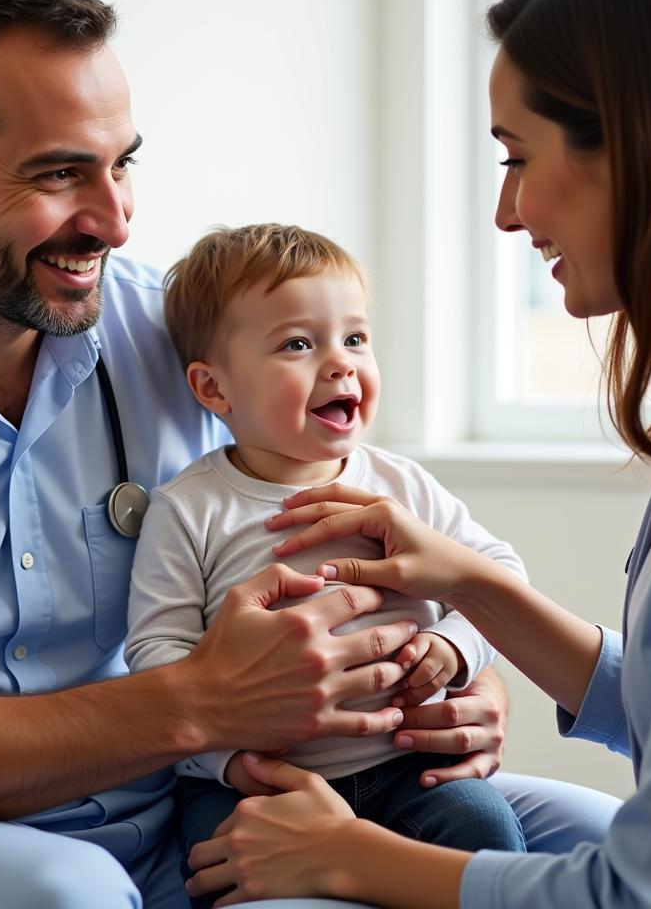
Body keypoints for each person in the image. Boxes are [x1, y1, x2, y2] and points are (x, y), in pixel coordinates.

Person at [0, 0, 617, 909]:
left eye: (122, 165)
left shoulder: (178, 334)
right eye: (60, 175)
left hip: (197, 795)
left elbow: (383, 542)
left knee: (596, 838)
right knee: (69, 893)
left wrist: (446, 683)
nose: (113, 220)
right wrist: (202, 706)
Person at [185, 0, 651, 909]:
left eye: (516, 159)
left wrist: (343, 855)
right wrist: (471, 588)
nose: (508, 212)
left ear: (638, 144)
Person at [125, 224, 529, 903]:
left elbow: (496, 574)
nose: (341, 363)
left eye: (355, 338)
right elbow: (157, 652)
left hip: (408, 768)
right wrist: (228, 763)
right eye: (298, 344)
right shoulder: (189, 509)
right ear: (214, 388)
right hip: (263, 782)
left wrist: (454, 647)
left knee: (489, 837)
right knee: (232, 878)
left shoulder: (401, 487)